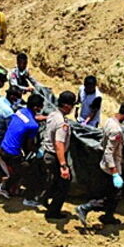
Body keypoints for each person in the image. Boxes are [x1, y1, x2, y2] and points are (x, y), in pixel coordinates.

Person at [76, 103, 124, 226]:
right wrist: (115, 174)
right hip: (111, 167)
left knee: (111, 194)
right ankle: (85, 207)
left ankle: (108, 216)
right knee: (114, 196)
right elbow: (109, 153)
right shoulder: (117, 130)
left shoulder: (110, 121)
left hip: (105, 165)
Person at [35, 90, 76, 220]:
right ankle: (53, 212)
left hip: (47, 153)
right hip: (55, 156)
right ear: (67, 106)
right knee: (64, 184)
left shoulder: (53, 114)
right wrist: (63, 166)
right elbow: (59, 145)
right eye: (72, 105)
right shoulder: (62, 123)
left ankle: (43, 198)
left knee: (52, 180)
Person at [0, 94, 44, 200]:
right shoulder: (33, 126)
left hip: (3, 146)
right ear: (36, 108)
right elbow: (29, 145)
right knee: (25, 169)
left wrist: (46, 117)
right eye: (41, 106)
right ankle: (3, 187)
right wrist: (38, 151)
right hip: (12, 153)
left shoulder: (20, 111)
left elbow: (30, 118)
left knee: (17, 168)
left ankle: (10, 185)